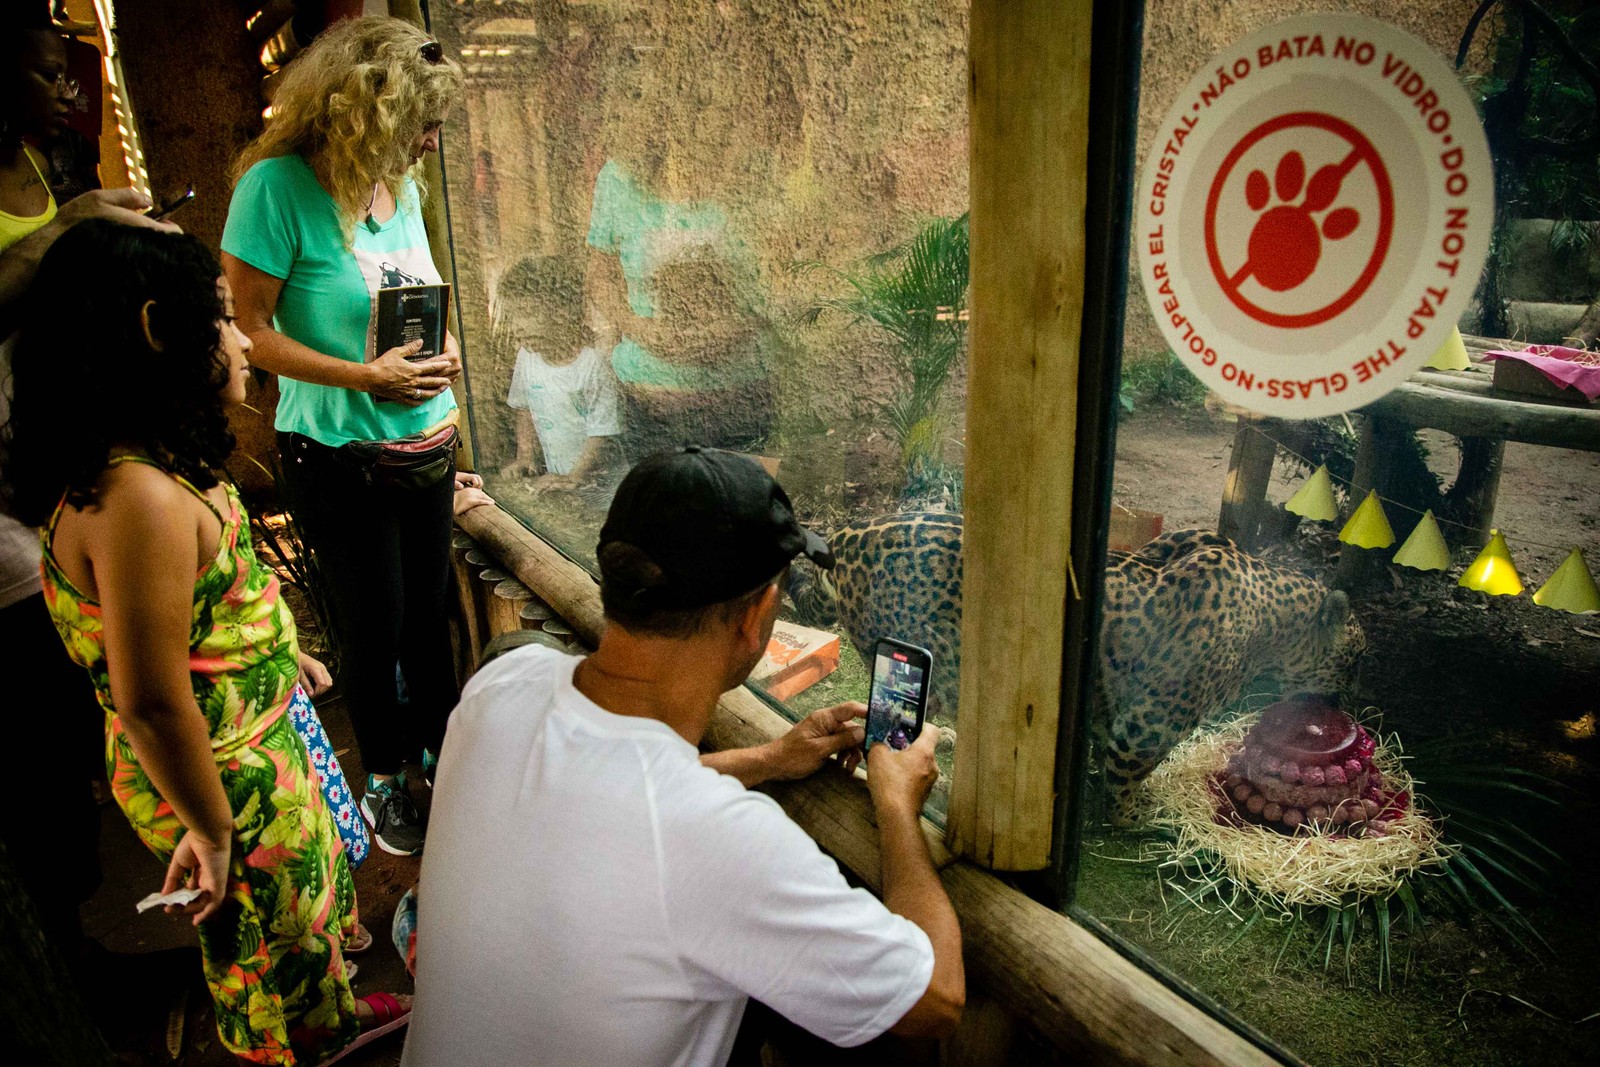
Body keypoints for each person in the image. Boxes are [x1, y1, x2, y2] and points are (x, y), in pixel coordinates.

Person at [402, 446, 964, 1065]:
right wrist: (896, 804)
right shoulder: (718, 839)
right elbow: (935, 1000)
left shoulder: (504, 683)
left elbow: (616, 798)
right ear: (755, 620)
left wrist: (770, 758)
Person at [4, 219, 411, 1065]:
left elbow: (198, 615)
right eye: (224, 318)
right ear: (159, 330)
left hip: (255, 731)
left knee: (305, 893)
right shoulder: (137, 498)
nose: (241, 340)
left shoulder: (158, 462)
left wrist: (274, 655)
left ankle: (327, 996)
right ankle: (309, 1034)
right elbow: (152, 699)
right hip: (218, 768)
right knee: (267, 923)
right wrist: (213, 830)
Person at [222, 16, 465, 855]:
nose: (431, 143)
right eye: (420, 125)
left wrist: (441, 351)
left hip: (424, 442)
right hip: (336, 452)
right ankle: (390, 778)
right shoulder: (275, 189)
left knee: (429, 619)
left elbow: (413, 291)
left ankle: (448, 761)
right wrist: (366, 377)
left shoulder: (402, 187)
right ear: (364, 111)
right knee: (376, 624)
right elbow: (251, 332)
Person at [496, 255, 621, 490]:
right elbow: (524, 408)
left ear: (563, 312)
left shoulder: (593, 365)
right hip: (558, 478)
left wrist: (575, 477)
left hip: (601, 484)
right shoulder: (527, 357)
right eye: (513, 316)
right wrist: (525, 456)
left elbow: (602, 434)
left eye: (528, 313)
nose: (517, 326)